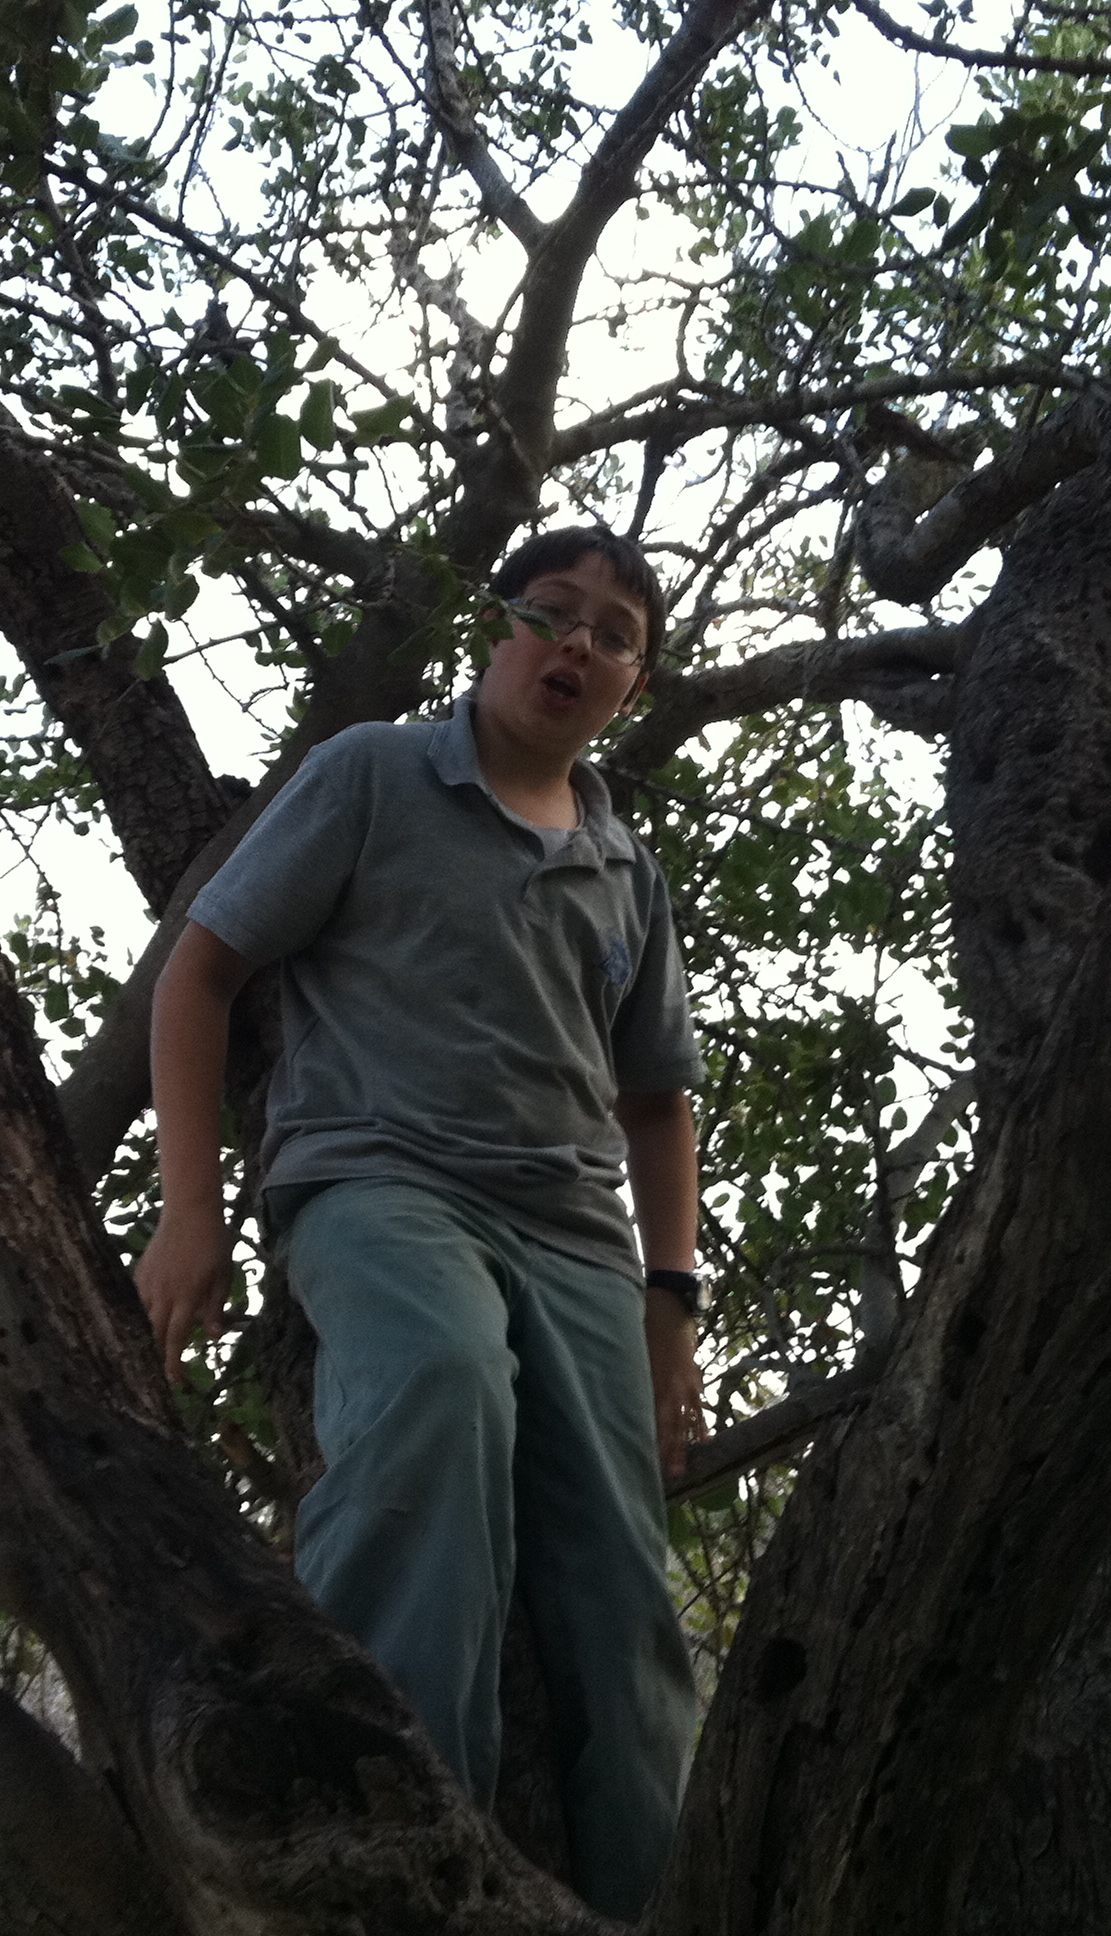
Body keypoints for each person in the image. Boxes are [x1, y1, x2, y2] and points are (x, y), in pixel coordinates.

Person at [134, 526, 706, 1917]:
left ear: (632, 684)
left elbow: (655, 1104)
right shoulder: (375, 773)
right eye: (549, 612)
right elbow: (200, 973)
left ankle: (649, 1906)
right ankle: (389, 1868)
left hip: (574, 1238)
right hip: (382, 1184)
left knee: (623, 1590)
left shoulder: (627, 870)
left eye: (614, 636)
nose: (576, 645)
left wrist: (674, 1300)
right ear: (495, 628)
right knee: (442, 1390)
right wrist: (188, 1211)